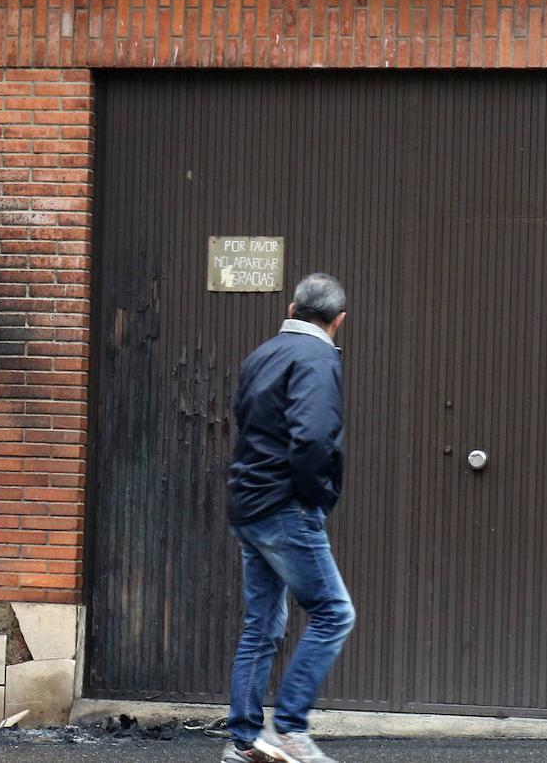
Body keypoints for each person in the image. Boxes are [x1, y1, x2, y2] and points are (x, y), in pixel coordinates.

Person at [221, 273, 356, 763]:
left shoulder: (262, 355)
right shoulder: (318, 357)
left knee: (262, 624)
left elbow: (247, 423)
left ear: (292, 308)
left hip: (248, 504)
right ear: (339, 321)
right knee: (334, 613)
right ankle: (291, 729)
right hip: (284, 507)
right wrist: (319, 497)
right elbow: (313, 438)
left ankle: (244, 742)